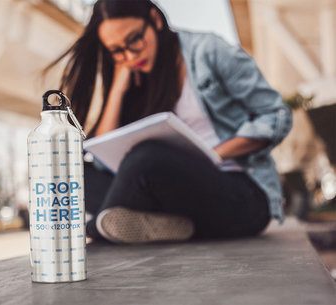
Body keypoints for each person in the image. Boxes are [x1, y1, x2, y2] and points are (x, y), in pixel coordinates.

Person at [46, 0, 292, 243]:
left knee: (147, 156)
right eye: (117, 50)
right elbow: (101, 159)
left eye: (134, 40)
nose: (130, 55)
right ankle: (147, 224)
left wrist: (213, 154)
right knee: (72, 172)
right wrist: (118, 90)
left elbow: (275, 115)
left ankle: (97, 227)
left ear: (155, 19)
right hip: (177, 200)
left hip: (240, 196)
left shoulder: (208, 51)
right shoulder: (132, 75)